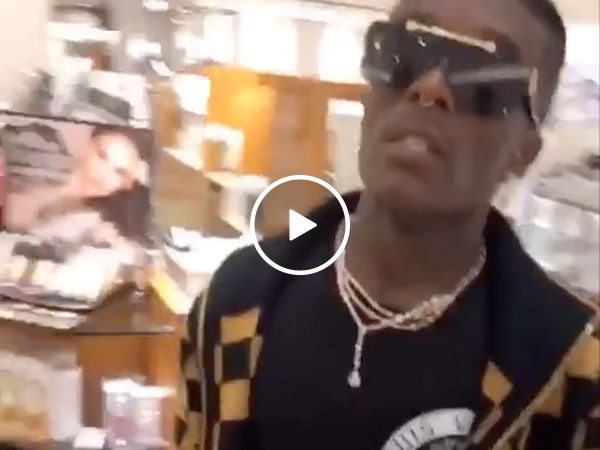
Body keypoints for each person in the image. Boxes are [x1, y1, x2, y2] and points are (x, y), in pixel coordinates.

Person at [177, 0, 599, 449]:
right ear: (367, 95)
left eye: (484, 80)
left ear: (524, 151)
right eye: (403, 52)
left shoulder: (574, 371)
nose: (430, 87)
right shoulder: (234, 302)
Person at [4, 126, 149, 249]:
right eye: (102, 156)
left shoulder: (96, 225)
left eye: (120, 172)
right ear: (88, 145)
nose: (105, 174)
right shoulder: (41, 149)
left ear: (127, 185)